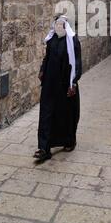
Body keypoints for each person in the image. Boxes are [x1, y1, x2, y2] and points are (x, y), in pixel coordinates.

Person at [34, 15, 82, 162]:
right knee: (46, 114)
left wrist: (73, 82)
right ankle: (44, 148)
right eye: (57, 24)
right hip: (50, 83)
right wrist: (42, 70)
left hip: (65, 85)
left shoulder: (73, 42)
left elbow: (77, 63)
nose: (59, 27)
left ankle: (69, 140)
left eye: (62, 24)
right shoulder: (52, 40)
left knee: (66, 114)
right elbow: (47, 58)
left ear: (66, 26)